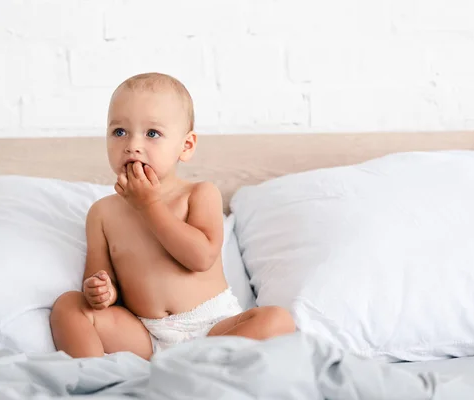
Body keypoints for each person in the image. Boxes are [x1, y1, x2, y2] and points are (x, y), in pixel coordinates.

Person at [50, 72, 295, 360]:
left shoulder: (200, 194)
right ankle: (96, 378)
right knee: (69, 305)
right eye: (119, 132)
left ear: (186, 146)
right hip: (145, 335)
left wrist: (149, 206)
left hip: (214, 329)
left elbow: (200, 257)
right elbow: (101, 278)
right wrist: (101, 290)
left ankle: (196, 370)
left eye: (152, 133)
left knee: (278, 321)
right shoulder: (102, 213)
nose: (132, 145)